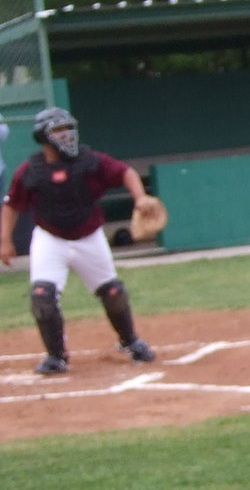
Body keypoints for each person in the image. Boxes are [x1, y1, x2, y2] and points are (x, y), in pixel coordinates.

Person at [0, 106, 158, 374]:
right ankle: (56, 356)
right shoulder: (31, 170)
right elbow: (12, 204)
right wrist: (5, 239)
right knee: (42, 296)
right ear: (42, 136)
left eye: (68, 129)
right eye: (59, 131)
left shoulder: (90, 161)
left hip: (89, 237)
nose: (66, 136)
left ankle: (130, 341)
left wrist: (140, 197)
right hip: (50, 238)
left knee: (113, 293)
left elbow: (125, 173)